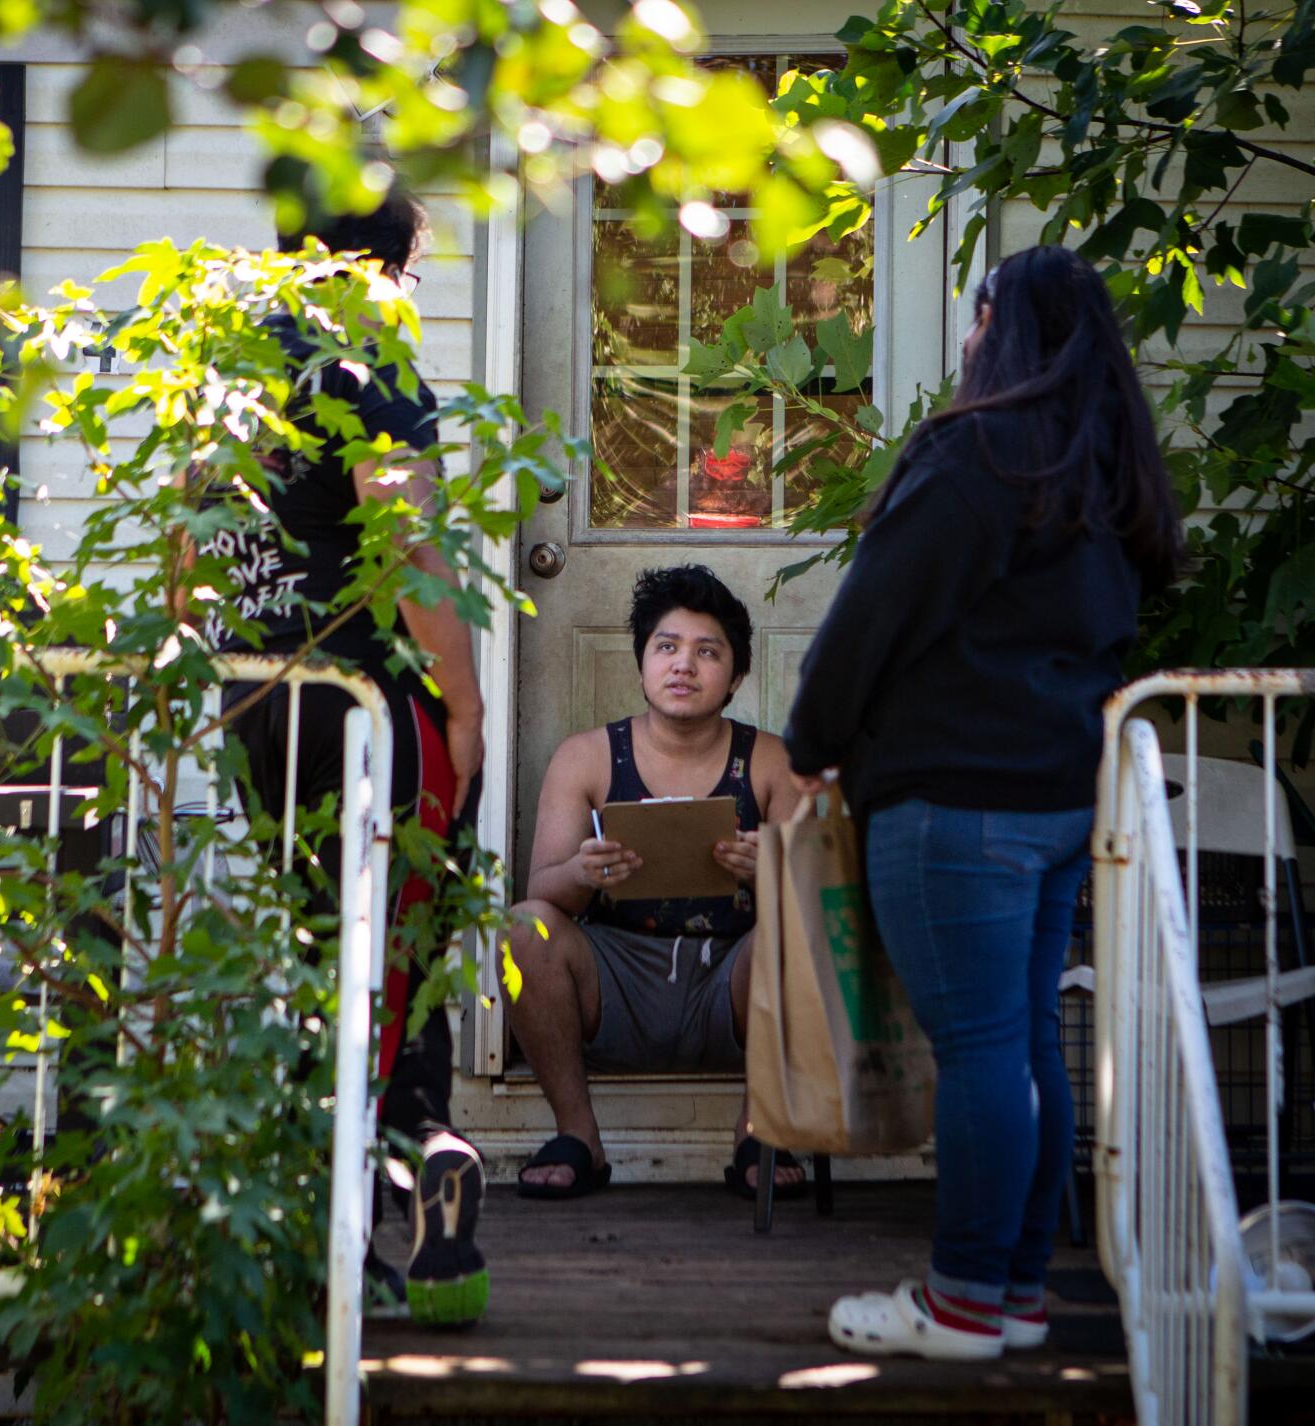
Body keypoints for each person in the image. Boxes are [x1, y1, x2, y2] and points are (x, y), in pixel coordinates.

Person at [783, 245, 1184, 1361]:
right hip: (1061, 805)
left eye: (972, 321)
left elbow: (870, 615)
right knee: (1022, 1049)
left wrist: (810, 743)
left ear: (995, 323)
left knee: (978, 1051)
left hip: (955, 803)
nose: (965, 345)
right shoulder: (1106, 475)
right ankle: (1011, 1294)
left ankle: (959, 1300)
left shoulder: (972, 455)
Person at [212, 190, 489, 1325]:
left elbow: (192, 548)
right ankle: (415, 1169)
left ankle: (316, 1243)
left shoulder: (229, 365)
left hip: (253, 698)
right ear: (388, 259)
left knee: (314, 959)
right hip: (366, 706)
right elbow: (409, 548)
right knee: (393, 961)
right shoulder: (365, 359)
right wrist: (463, 705)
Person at [503, 565, 805, 1201]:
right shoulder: (587, 756)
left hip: (732, 984)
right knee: (524, 926)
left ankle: (761, 1132)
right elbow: (543, 892)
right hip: (615, 985)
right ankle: (578, 1137)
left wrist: (772, 871)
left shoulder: (771, 760)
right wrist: (584, 874)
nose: (683, 666)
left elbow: (818, 909)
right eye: (666, 647)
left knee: (794, 925)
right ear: (641, 662)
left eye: (707, 651)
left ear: (737, 676)